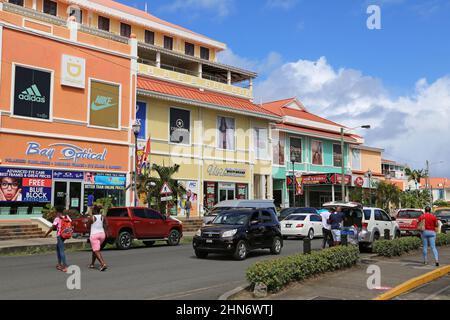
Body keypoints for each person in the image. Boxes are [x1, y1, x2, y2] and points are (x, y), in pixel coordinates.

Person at [44, 206, 71, 272]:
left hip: (60, 235)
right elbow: (70, 223)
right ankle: (59, 264)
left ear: (58, 212)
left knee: (61, 250)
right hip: (66, 234)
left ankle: (64, 266)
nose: (55, 212)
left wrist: (46, 234)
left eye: (55, 211)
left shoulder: (57, 218)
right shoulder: (67, 217)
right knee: (58, 248)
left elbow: (52, 227)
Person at [87, 206, 108, 271]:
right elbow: (106, 225)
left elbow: (88, 227)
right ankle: (92, 264)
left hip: (94, 235)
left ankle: (103, 264)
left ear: (94, 211)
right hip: (102, 235)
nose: (92, 211)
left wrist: (86, 223)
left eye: (92, 210)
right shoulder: (103, 217)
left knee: (96, 250)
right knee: (95, 249)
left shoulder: (91, 218)